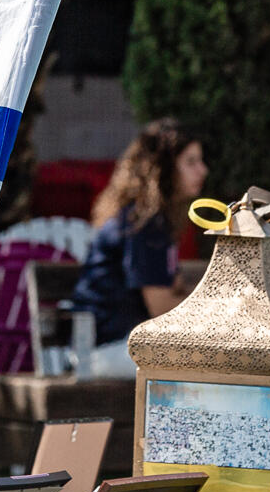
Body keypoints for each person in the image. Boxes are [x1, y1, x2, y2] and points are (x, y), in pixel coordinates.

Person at [71, 119, 207, 378]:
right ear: (163, 169)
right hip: (106, 351)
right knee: (206, 363)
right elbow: (161, 307)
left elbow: (173, 290)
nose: (203, 170)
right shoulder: (144, 224)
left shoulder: (154, 221)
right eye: (190, 162)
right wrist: (217, 311)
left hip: (122, 346)